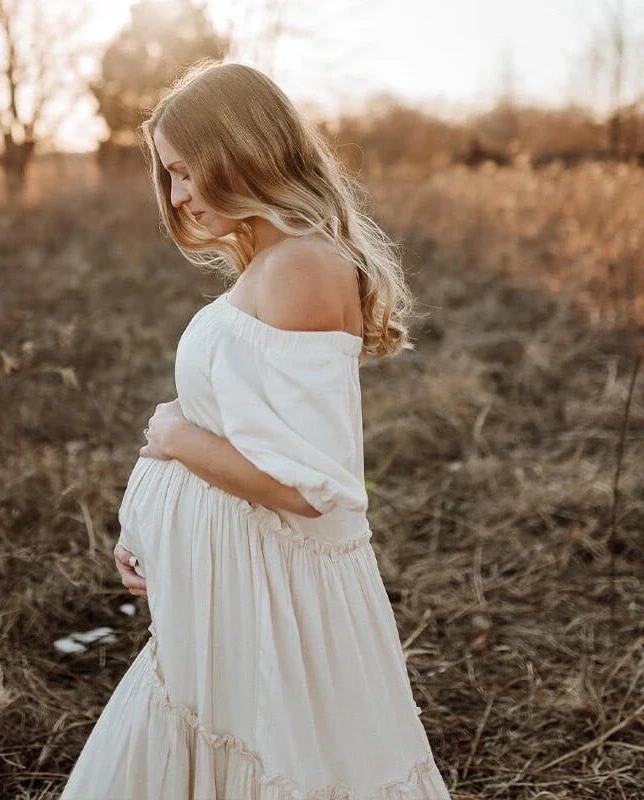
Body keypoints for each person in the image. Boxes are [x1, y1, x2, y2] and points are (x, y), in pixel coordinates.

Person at [59, 59, 451, 799]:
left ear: (241, 150)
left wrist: (174, 438)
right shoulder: (272, 262)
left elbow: (311, 490)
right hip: (232, 584)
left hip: (273, 596)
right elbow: (248, 436)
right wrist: (149, 532)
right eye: (168, 176)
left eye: (186, 170)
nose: (177, 196)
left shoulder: (302, 266)